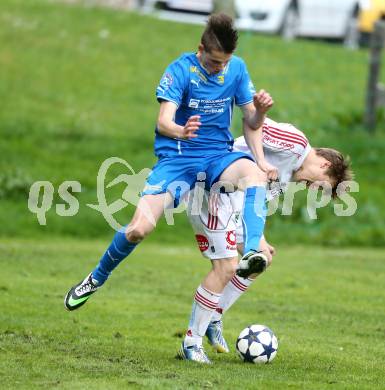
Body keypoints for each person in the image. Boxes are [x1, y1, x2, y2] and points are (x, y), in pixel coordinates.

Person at [64, 13, 277, 344]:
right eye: (215, 61)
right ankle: (96, 277)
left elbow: (251, 121)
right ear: (200, 49)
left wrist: (260, 113)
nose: (220, 68)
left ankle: (252, 251)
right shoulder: (179, 70)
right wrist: (182, 130)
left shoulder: (236, 69)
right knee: (138, 230)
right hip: (178, 159)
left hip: (218, 156)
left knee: (254, 174)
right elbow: (164, 121)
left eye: (225, 62)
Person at [181, 116, 353, 363]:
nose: (312, 190)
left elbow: (256, 202)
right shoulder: (295, 143)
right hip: (212, 188)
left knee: (263, 257)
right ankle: (192, 342)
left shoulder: (288, 177)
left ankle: (215, 315)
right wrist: (258, 159)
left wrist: (258, 238)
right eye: (322, 186)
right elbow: (254, 126)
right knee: (226, 267)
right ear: (325, 164)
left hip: (234, 200)